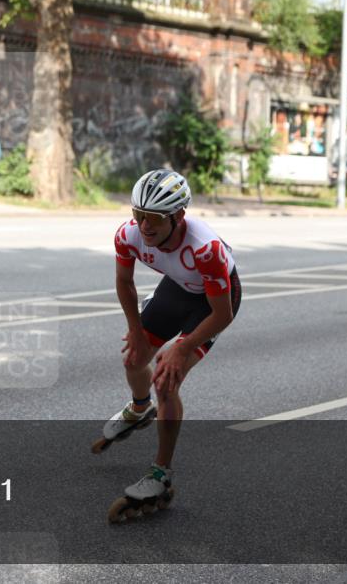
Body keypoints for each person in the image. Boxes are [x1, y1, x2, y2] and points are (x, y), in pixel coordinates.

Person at [99, 168, 241, 517]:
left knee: (165, 379)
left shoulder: (205, 249)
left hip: (213, 303)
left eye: (156, 218)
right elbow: (124, 282)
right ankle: (139, 408)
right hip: (178, 287)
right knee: (135, 359)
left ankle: (160, 474)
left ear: (179, 216)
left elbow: (222, 315)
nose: (145, 225)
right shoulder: (128, 235)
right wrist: (135, 329)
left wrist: (182, 346)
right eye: (139, 214)